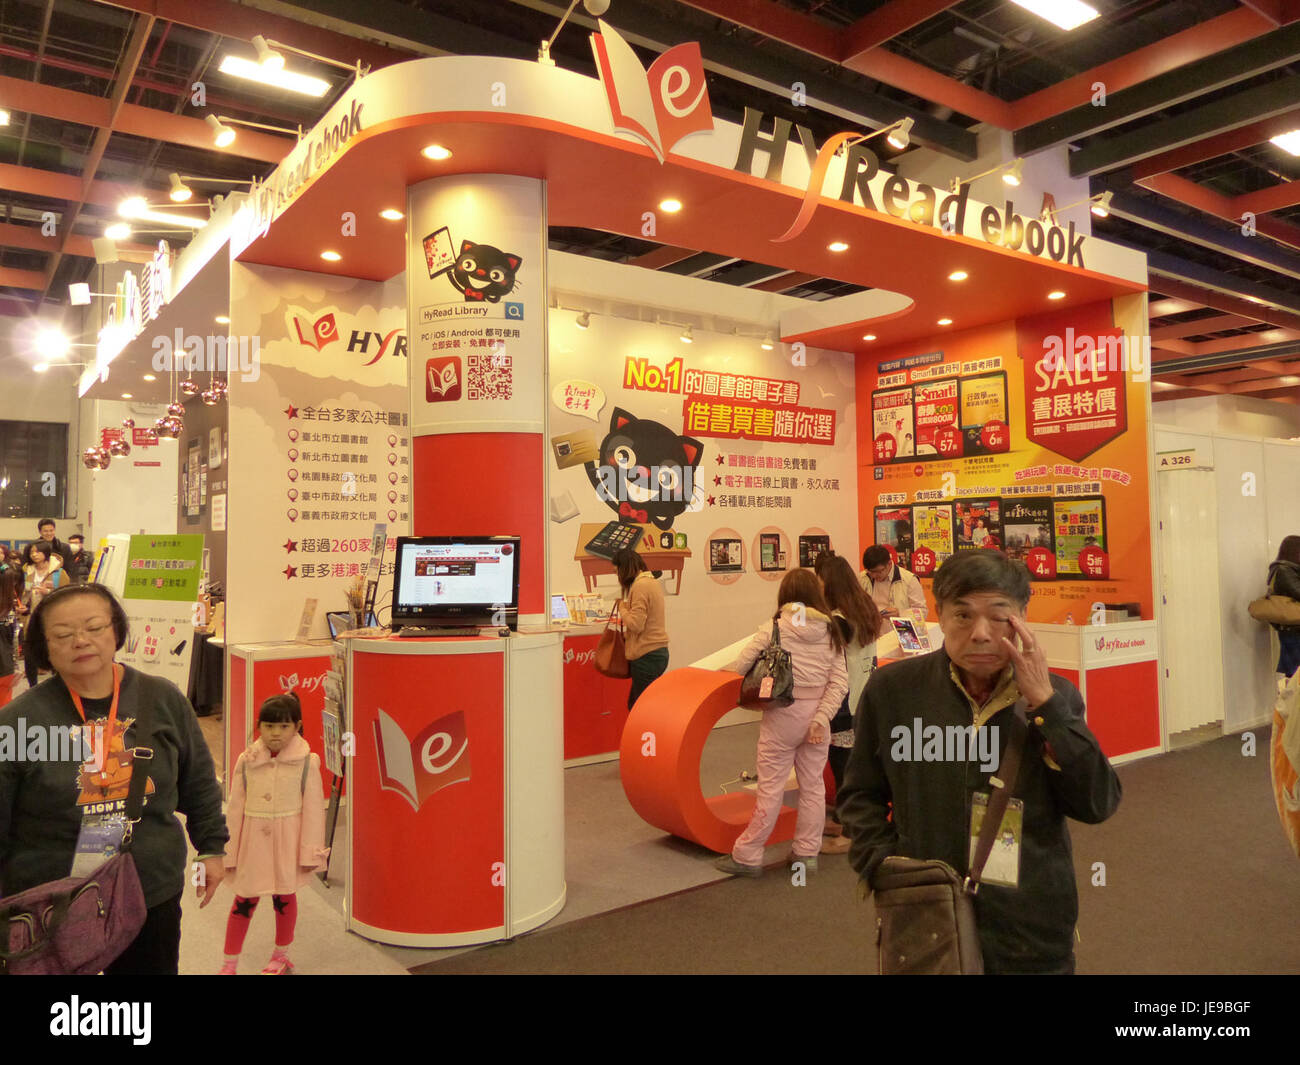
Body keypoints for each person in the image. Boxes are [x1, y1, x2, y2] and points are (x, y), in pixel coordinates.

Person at [838, 551, 1121, 974]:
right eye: (963, 616)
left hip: (1030, 922)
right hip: (927, 914)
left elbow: (1097, 802)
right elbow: (860, 793)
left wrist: (1046, 707)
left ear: (1023, 616)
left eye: (999, 616)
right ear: (940, 615)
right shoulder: (894, 691)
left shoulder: (1054, 698)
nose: (981, 634)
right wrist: (881, 864)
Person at [0, 583, 228, 974]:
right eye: (63, 634)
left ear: (116, 631)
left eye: (94, 626)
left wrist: (211, 846)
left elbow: (199, 781)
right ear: (44, 646)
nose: (81, 641)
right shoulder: (20, 720)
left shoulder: (163, 699)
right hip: (51, 894)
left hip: (146, 883)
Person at [714, 569, 847, 877]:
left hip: (783, 715)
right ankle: (806, 854)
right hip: (818, 720)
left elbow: (742, 664)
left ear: (786, 596)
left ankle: (748, 854)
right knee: (812, 788)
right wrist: (821, 717)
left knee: (771, 788)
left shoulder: (775, 628)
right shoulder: (833, 631)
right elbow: (839, 682)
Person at [221, 692, 328, 975]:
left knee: (284, 897)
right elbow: (234, 809)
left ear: (297, 726)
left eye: (283, 726)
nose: (275, 733)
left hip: (288, 844)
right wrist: (228, 852)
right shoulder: (247, 761)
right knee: (243, 900)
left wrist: (310, 853)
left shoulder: (307, 763)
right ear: (259, 726)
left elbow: (314, 812)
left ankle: (281, 955)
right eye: (268, 726)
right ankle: (229, 963)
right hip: (252, 844)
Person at [818, 555, 881, 855]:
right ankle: (843, 820)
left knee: (844, 768)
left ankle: (850, 832)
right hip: (865, 693)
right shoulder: (865, 607)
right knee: (849, 764)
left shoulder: (838, 620)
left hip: (844, 700)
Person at [614, 549, 669, 710]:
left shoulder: (640, 586)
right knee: (641, 705)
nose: (617, 576)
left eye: (617, 570)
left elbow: (636, 625)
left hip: (646, 656)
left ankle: (647, 735)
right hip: (656, 653)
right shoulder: (651, 582)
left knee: (641, 708)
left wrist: (622, 608)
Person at [21, 543, 66, 689]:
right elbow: (26, 593)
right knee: (29, 649)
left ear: (46, 553)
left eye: (37, 552)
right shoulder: (29, 571)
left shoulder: (58, 572)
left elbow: (67, 594)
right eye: (32, 552)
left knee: (53, 648)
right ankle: (32, 686)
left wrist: (48, 592)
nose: (34, 555)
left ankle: (57, 683)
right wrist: (23, 604)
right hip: (32, 615)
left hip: (54, 615)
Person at [860, 545, 925, 628]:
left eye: (879, 571)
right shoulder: (863, 578)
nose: (874, 575)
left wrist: (900, 614)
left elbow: (922, 612)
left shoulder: (909, 580)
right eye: (871, 571)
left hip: (898, 635)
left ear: (889, 564)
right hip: (871, 635)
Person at [1266, 535, 1300, 677]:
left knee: (1295, 675)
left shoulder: (1289, 569)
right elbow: (1298, 591)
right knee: (1295, 676)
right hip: (1293, 631)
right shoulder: (1283, 570)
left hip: (1293, 630)